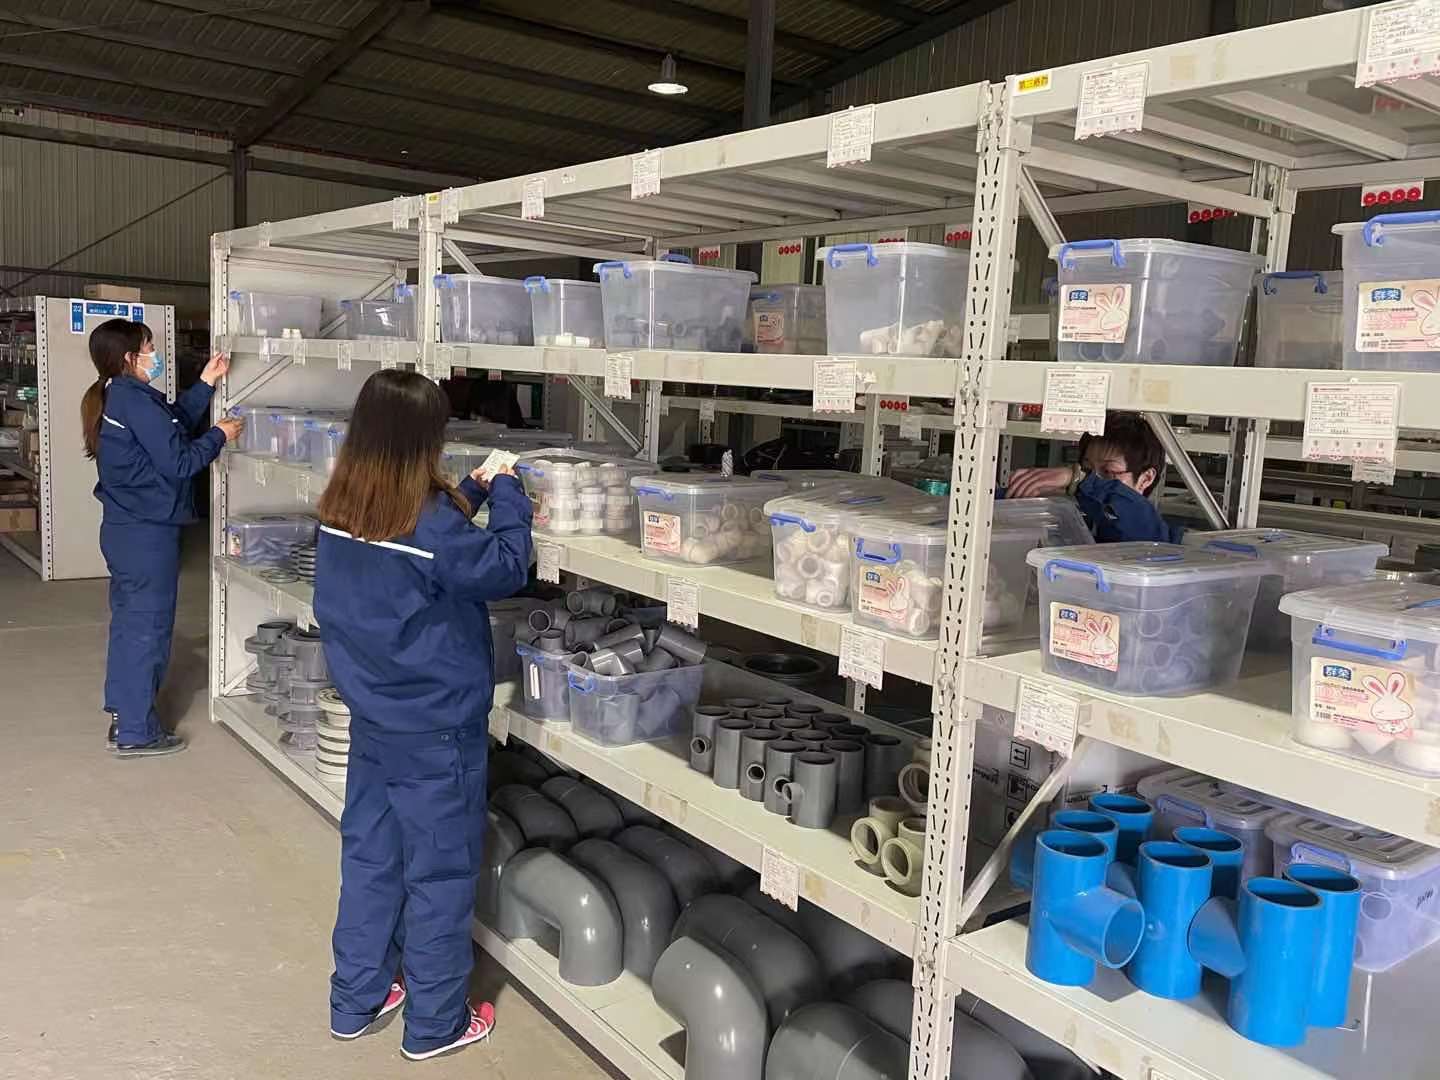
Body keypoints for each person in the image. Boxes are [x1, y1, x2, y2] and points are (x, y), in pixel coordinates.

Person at [315, 369, 532, 1061]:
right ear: (422, 440)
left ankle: (357, 999)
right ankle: (436, 1025)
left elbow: (420, 546)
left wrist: (470, 490)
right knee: (438, 878)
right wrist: (509, 492)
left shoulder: (343, 508)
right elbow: (505, 565)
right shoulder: (430, 524)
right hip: (436, 732)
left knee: (370, 860)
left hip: (374, 720)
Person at [83, 318, 242, 757]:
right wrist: (220, 435)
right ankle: (137, 732)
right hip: (145, 534)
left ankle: (124, 713)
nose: (156, 355)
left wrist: (205, 384)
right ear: (130, 357)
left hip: (128, 530)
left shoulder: (124, 396)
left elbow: (171, 426)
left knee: (131, 624)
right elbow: (180, 460)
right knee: (147, 629)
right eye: (150, 347)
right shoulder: (131, 401)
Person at [1006, 412, 1183, 543]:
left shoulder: (1150, 532)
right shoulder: (1080, 519)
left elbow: (1134, 516)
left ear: (1146, 479)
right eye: (1087, 469)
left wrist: (1077, 478)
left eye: (1108, 471)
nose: (1092, 479)